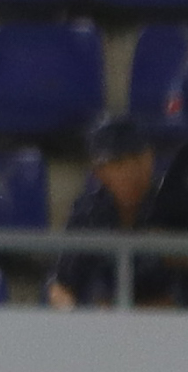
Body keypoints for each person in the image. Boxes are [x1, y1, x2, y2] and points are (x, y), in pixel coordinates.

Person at [46, 118, 180, 310]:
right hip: (102, 327)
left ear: (149, 158)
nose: (129, 172)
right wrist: (73, 320)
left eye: (135, 159)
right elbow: (62, 284)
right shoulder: (89, 212)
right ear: (99, 172)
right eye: (115, 164)